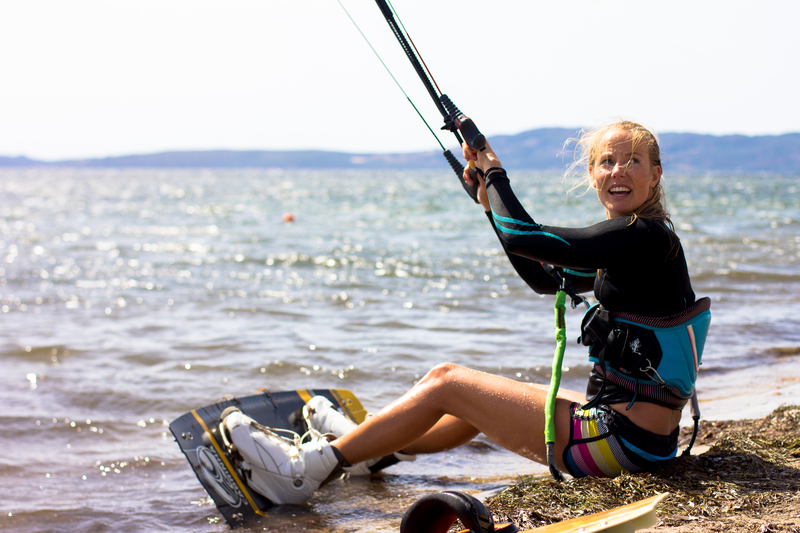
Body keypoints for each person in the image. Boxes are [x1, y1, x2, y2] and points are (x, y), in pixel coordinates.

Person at [220, 120, 710, 504]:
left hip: (621, 446)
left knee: (448, 381)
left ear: (655, 173)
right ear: (592, 173)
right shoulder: (635, 248)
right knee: (472, 401)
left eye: (633, 161)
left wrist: (495, 174)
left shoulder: (644, 238)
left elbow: (528, 237)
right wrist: (486, 205)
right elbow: (543, 276)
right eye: (607, 161)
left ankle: (304, 471)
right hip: (642, 442)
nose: (618, 171)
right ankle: (365, 451)